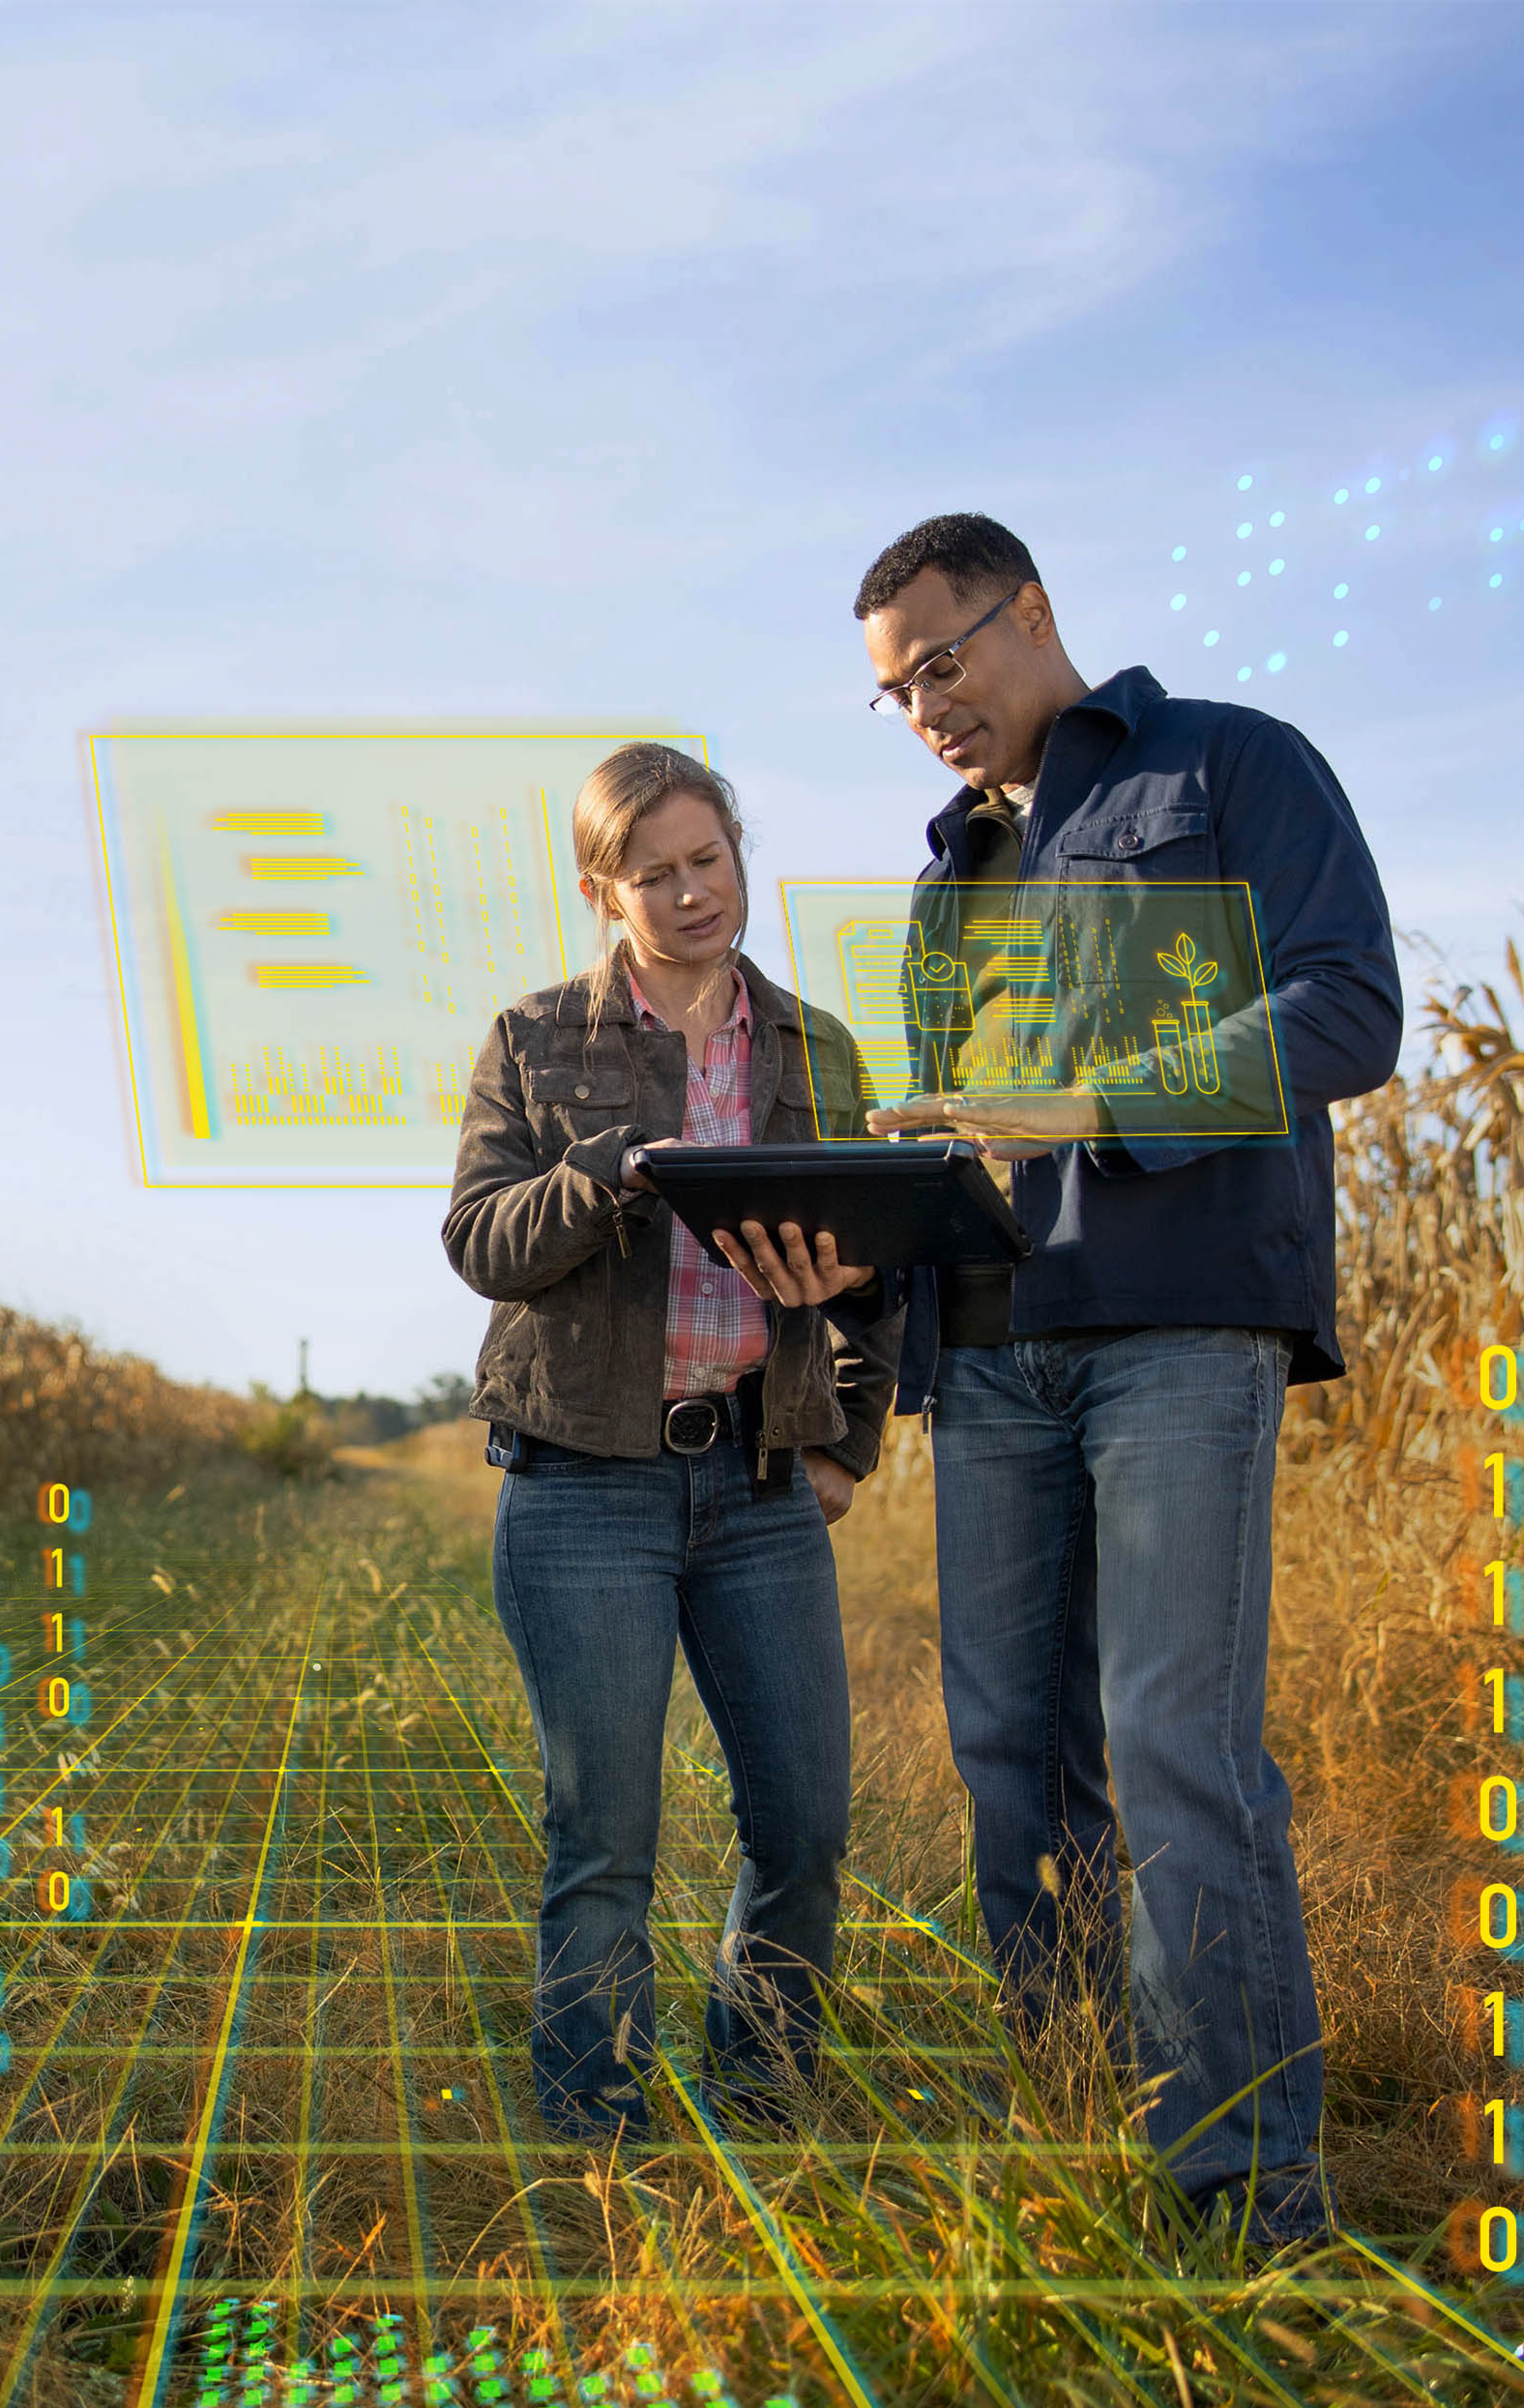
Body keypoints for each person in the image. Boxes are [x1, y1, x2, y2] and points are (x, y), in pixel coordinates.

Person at [848, 513, 1403, 2254]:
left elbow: (1349, 1013)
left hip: (1177, 1327)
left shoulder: (1227, 761)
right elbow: (967, 1125)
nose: (927, 707)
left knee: (1174, 1743)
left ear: (1035, 614)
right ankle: (1086, 2119)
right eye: (893, 692)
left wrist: (1088, 1108)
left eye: (942, 661)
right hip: (994, 1350)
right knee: (1011, 1752)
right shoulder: (947, 882)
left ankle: (1247, 2189)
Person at [444, 741, 905, 2145]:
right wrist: (599, 1177)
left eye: (711, 858)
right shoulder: (536, 1042)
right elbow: (478, 1242)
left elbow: (891, 1266)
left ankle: (760, 2111)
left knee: (804, 1830)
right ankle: (596, 2139)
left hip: (762, 1486)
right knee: (606, 1844)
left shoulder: (818, 1048)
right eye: (658, 872)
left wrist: (848, 1447)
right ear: (604, 889)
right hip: (584, 1487)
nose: (695, 891)